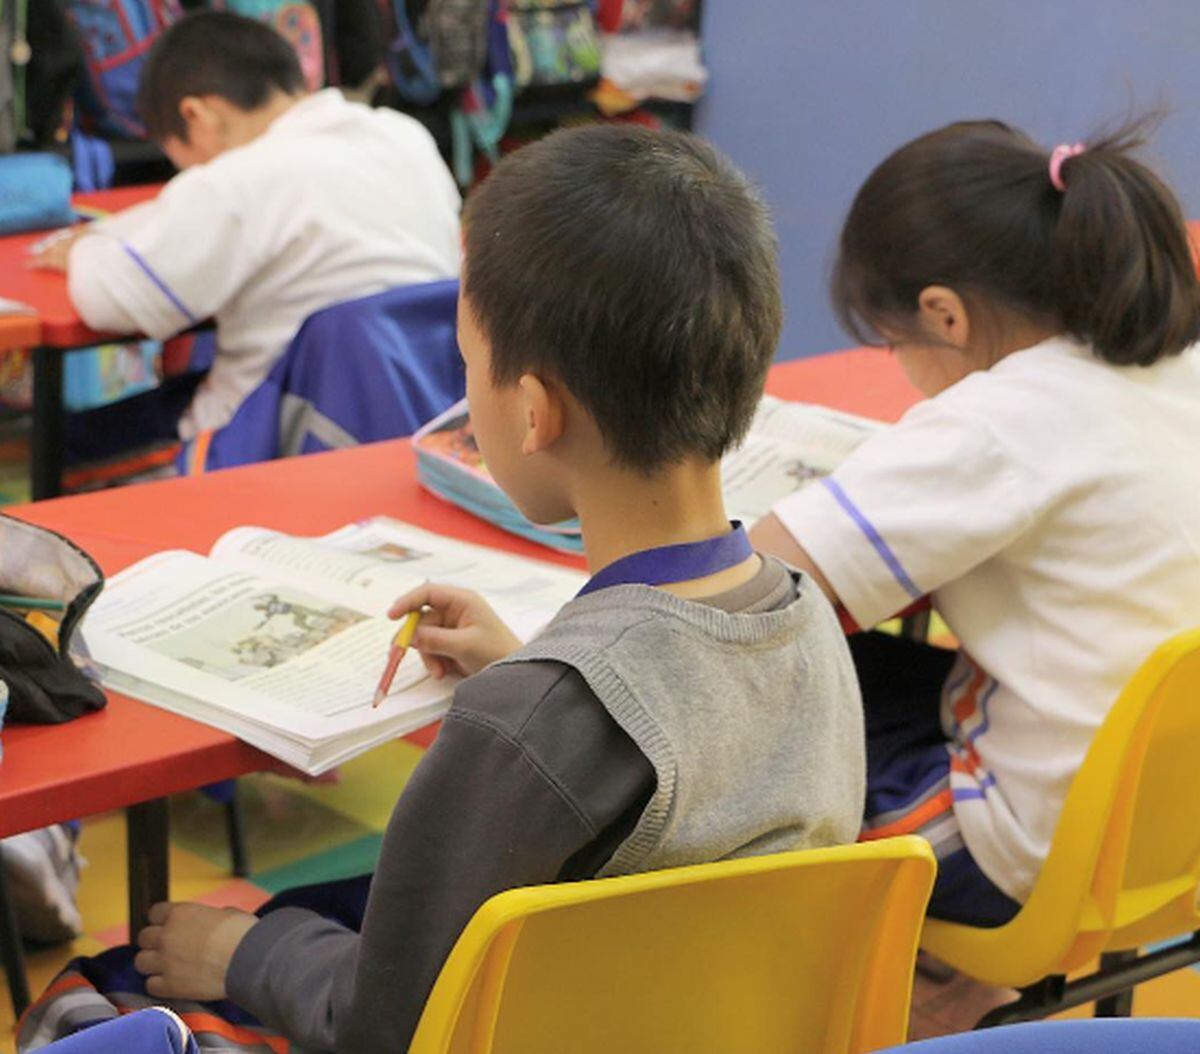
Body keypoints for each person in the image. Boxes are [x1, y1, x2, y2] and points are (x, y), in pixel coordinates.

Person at [20, 126, 865, 1054]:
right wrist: (529, 670)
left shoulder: (523, 726)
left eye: (467, 363)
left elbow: (382, 1026)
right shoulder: (805, 615)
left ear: (534, 412)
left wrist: (247, 952)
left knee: (86, 1003)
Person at [751, 117, 1200, 927]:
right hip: (1174, 835)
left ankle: (909, 983)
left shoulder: (997, 424)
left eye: (895, 347)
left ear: (944, 316)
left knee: (736, 722)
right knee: (854, 673)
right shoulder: (1176, 365)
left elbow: (758, 585)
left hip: (1034, 855)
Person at [32, 11, 460, 464]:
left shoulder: (234, 182)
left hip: (271, 434)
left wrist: (84, 249)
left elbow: (113, 297)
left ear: (194, 115)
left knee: (65, 438)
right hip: (417, 414)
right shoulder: (406, 138)